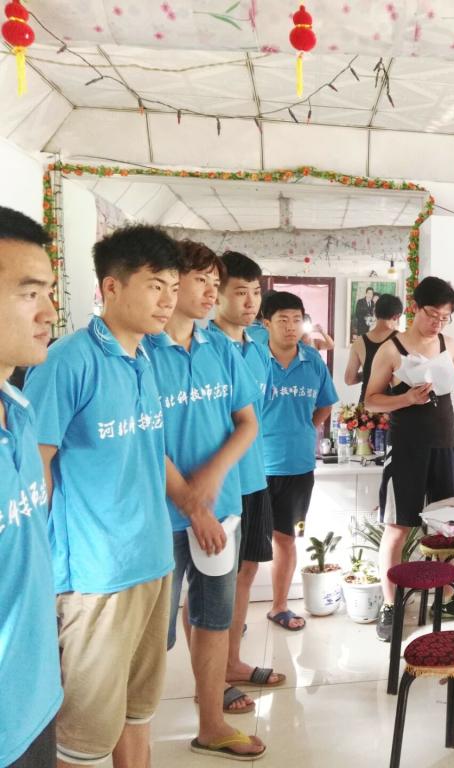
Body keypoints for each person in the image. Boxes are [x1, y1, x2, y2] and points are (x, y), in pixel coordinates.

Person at [24, 225, 182, 768]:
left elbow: (148, 453)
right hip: (96, 577)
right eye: (155, 286)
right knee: (84, 739)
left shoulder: (145, 358)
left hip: (153, 560)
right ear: (111, 287)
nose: (168, 300)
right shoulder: (67, 361)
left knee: (137, 714)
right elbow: (36, 467)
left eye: (173, 287)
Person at [143, 241, 264, 760]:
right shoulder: (144, 351)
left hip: (222, 513)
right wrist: (192, 505)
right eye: (201, 281)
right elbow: (144, 440)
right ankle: (134, 744)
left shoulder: (220, 348)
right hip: (161, 518)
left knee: (215, 619)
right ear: (172, 283)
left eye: (217, 282)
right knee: (154, 637)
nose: (212, 292)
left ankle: (212, 724)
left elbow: (247, 423)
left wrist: (212, 478)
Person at [364, 276, 454, 642]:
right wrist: (406, 398)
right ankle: (390, 605)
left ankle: (444, 600)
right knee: (397, 528)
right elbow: (370, 400)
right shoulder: (392, 349)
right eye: (433, 315)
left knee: (447, 527)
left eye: (445, 317)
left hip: (444, 446)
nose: (438, 323)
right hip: (406, 450)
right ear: (415, 308)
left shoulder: (448, 344)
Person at [207, 250, 286, 700]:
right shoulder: (202, 347)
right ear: (215, 295)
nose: (251, 301)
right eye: (240, 292)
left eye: (256, 292)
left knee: (247, 569)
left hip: (255, 475)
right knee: (212, 582)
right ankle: (210, 680)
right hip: (219, 481)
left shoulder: (256, 348)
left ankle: (232, 661)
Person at [0, 207, 61, 768]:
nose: (49, 312)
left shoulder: (18, 411)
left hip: (36, 699)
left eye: (49, 292)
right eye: (29, 293)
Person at [261, 291, 339, 631]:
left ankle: (279, 607)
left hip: (298, 465)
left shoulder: (312, 361)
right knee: (244, 548)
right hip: (255, 466)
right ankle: (232, 618)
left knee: (286, 539)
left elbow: (326, 403)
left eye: (296, 320)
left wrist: (308, 426)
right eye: (283, 320)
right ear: (266, 323)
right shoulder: (253, 359)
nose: (291, 327)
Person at [344, 293, 403, 404]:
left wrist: (368, 373)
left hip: (366, 407)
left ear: (375, 312)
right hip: (391, 405)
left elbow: (349, 379)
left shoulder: (359, 342)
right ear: (397, 316)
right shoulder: (402, 339)